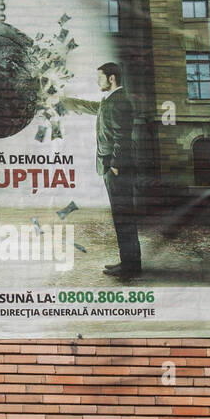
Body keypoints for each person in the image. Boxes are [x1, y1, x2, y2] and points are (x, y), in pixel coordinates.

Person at [60, 63, 141, 279]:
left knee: (124, 217)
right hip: (112, 166)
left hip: (117, 168)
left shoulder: (119, 101)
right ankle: (128, 262)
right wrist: (69, 102)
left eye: (100, 77)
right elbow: (96, 108)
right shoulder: (111, 99)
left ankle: (131, 267)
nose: (98, 81)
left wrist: (115, 165)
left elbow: (122, 136)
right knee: (121, 216)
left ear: (111, 78)